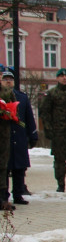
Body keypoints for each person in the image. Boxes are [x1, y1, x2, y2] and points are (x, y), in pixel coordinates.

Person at [40, 68, 66, 193]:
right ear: (57, 78)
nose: (64, 78)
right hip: (58, 132)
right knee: (59, 160)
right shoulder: (52, 94)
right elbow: (45, 112)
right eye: (62, 76)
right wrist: (48, 129)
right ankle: (61, 184)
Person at [2, 69, 37, 205]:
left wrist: (33, 134)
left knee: (19, 168)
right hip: (4, 139)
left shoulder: (22, 97)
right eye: (6, 79)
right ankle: (4, 195)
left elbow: (29, 117)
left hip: (20, 138)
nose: (8, 81)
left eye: (10, 79)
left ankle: (18, 194)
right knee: (4, 169)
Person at [0, 71, 17, 211]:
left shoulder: (6, 92)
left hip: (3, 134)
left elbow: (13, 109)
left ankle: (3, 198)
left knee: (3, 166)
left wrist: (8, 114)